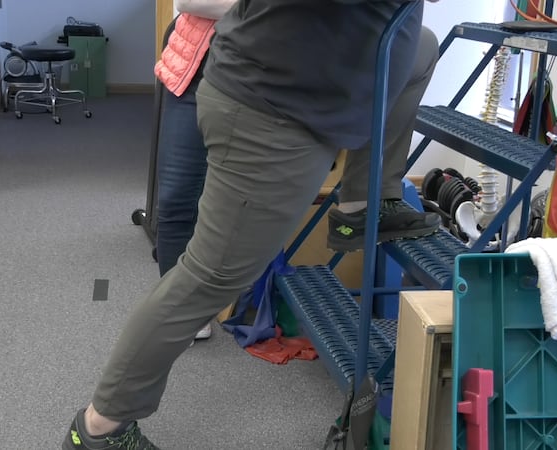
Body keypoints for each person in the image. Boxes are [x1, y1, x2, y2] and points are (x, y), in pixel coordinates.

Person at [62, 1, 442, 448]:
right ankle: (99, 427)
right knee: (209, 278)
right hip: (273, 110)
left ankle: (363, 201)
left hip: (315, 78)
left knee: (419, 46)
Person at [153, 0, 237, 342]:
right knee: (175, 199)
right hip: (194, 74)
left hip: (263, 84)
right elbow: (189, 1)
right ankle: (176, 312)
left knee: (234, 205)